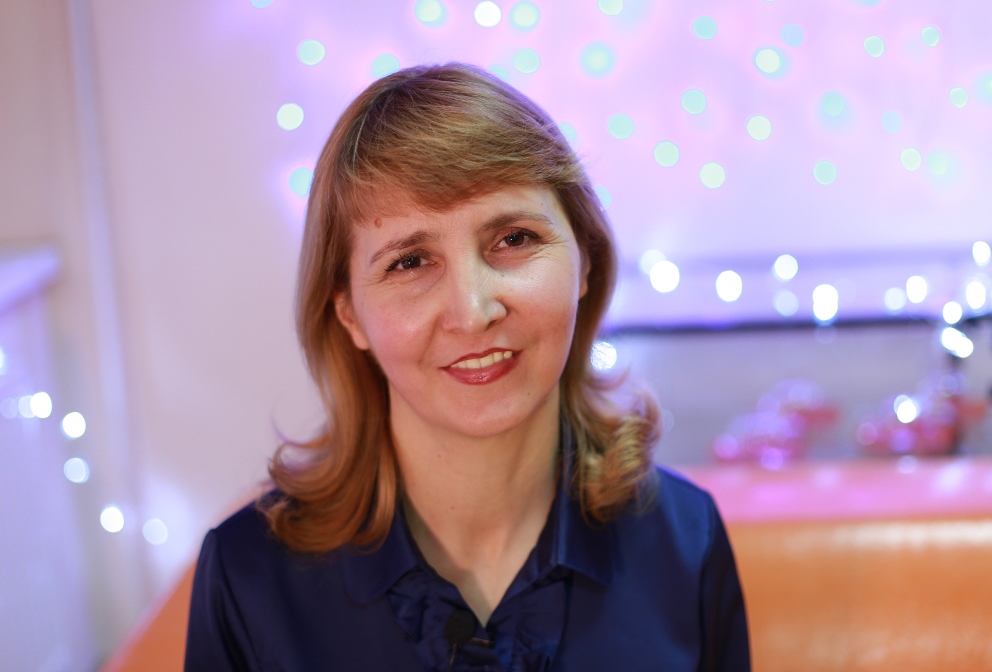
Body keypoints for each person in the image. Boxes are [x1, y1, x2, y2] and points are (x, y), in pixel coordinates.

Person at [185, 63, 749, 671]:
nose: (473, 312)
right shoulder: (248, 579)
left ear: (585, 261)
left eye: (514, 239)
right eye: (409, 262)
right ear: (349, 313)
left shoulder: (688, 544)